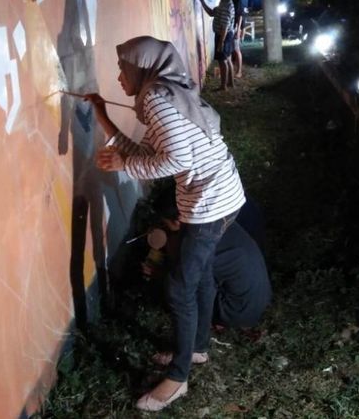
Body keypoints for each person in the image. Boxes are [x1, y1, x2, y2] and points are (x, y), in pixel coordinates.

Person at [85, 36, 245, 412]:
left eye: (123, 68)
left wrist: (124, 165)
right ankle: (198, 348)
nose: (118, 76)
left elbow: (172, 161)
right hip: (224, 196)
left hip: (209, 205)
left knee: (179, 287)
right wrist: (104, 117)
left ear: (142, 69)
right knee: (200, 275)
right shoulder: (166, 93)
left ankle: (178, 377)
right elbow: (155, 152)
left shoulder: (156, 99)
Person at [140, 186, 272, 337]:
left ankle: (207, 330)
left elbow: (184, 283)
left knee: (176, 292)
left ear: (178, 220)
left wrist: (159, 274)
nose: (164, 227)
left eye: (165, 223)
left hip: (237, 310)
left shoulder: (198, 244)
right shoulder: (214, 217)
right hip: (257, 298)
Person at [202, 0, 248, 78]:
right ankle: (230, 80)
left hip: (235, 26)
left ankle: (238, 72)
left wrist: (238, 30)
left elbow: (240, 14)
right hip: (230, 27)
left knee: (235, 49)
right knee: (227, 55)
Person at [198, 0, 235, 90]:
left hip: (223, 35)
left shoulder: (226, 6)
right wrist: (202, 1)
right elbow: (211, 13)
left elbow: (224, 27)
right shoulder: (224, 2)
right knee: (227, 58)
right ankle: (230, 83)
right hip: (226, 35)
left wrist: (221, 42)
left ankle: (224, 86)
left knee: (222, 60)